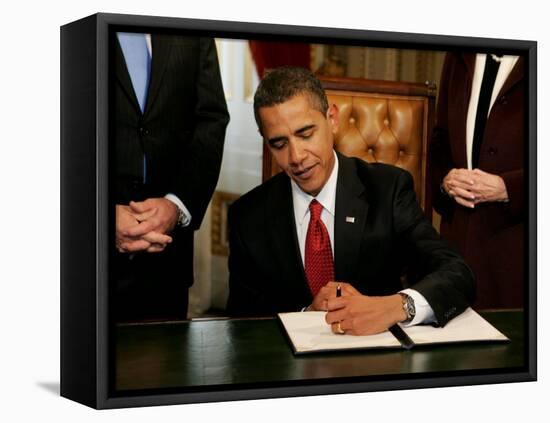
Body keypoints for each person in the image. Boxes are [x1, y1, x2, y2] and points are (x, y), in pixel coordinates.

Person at [226, 66, 474, 335]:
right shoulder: (247, 217)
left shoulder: (388, 190)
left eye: (306, 133)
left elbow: (457, 273)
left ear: (332, 119)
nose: (296, 156)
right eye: (279, 144)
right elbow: (241, 325)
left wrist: (395, 307)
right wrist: (305, 315)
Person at [113, 33, 229, 321]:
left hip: (168, 260)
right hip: (82, 265)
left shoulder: (189, 22)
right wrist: (98, 216)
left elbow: (211, 120)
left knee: (170, 363)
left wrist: (176, 205)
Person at [428, 52, 524, 310]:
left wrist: (509, 189)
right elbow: (440, 140)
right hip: (456, 246)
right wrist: (446, 180)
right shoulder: (458, 53)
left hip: (517, 252)